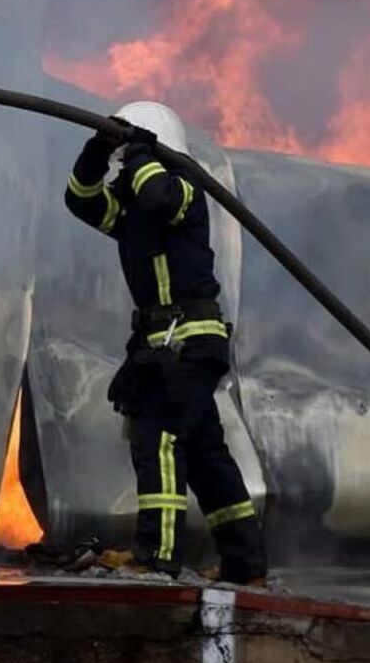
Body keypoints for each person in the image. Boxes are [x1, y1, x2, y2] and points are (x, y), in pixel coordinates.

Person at [64, 101, 266, 583]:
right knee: (204, 453)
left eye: (131, 155)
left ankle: (156, 554)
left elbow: (156, 194)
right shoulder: (133, 213)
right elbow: (80, 200)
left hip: (189, 342)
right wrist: (98, 149)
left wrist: (138, 155)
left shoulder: (183, 192)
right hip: (166, 344)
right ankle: (245, 563)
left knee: (158, 435)